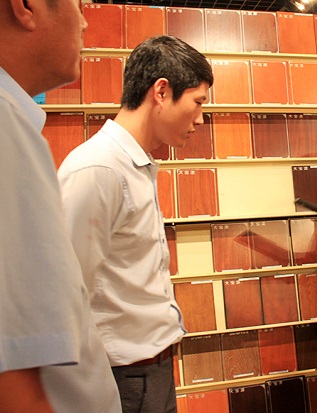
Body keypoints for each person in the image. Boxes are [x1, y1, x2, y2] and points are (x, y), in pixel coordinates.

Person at [57, 35, 213, 413]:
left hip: (148, 371)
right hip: (123, 377)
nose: (200, 118)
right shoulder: (99, 169)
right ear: (161, 91)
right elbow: (64, 293)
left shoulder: (133, 164)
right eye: (197, 102)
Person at [0, 0, 121, 412]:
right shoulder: (7, 128)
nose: (85, 21)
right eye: (78, 4)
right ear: (27, 6)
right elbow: (15, 380)